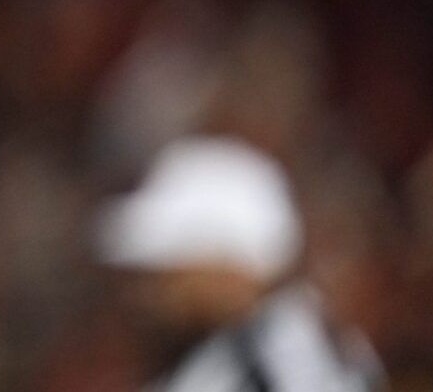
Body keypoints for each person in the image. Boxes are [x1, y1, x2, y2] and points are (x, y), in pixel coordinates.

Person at [95, 136, 383, 392]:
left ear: (223, 266)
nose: (155, 286)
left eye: (174, 266)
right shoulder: (283, 340)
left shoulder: (274, 361)